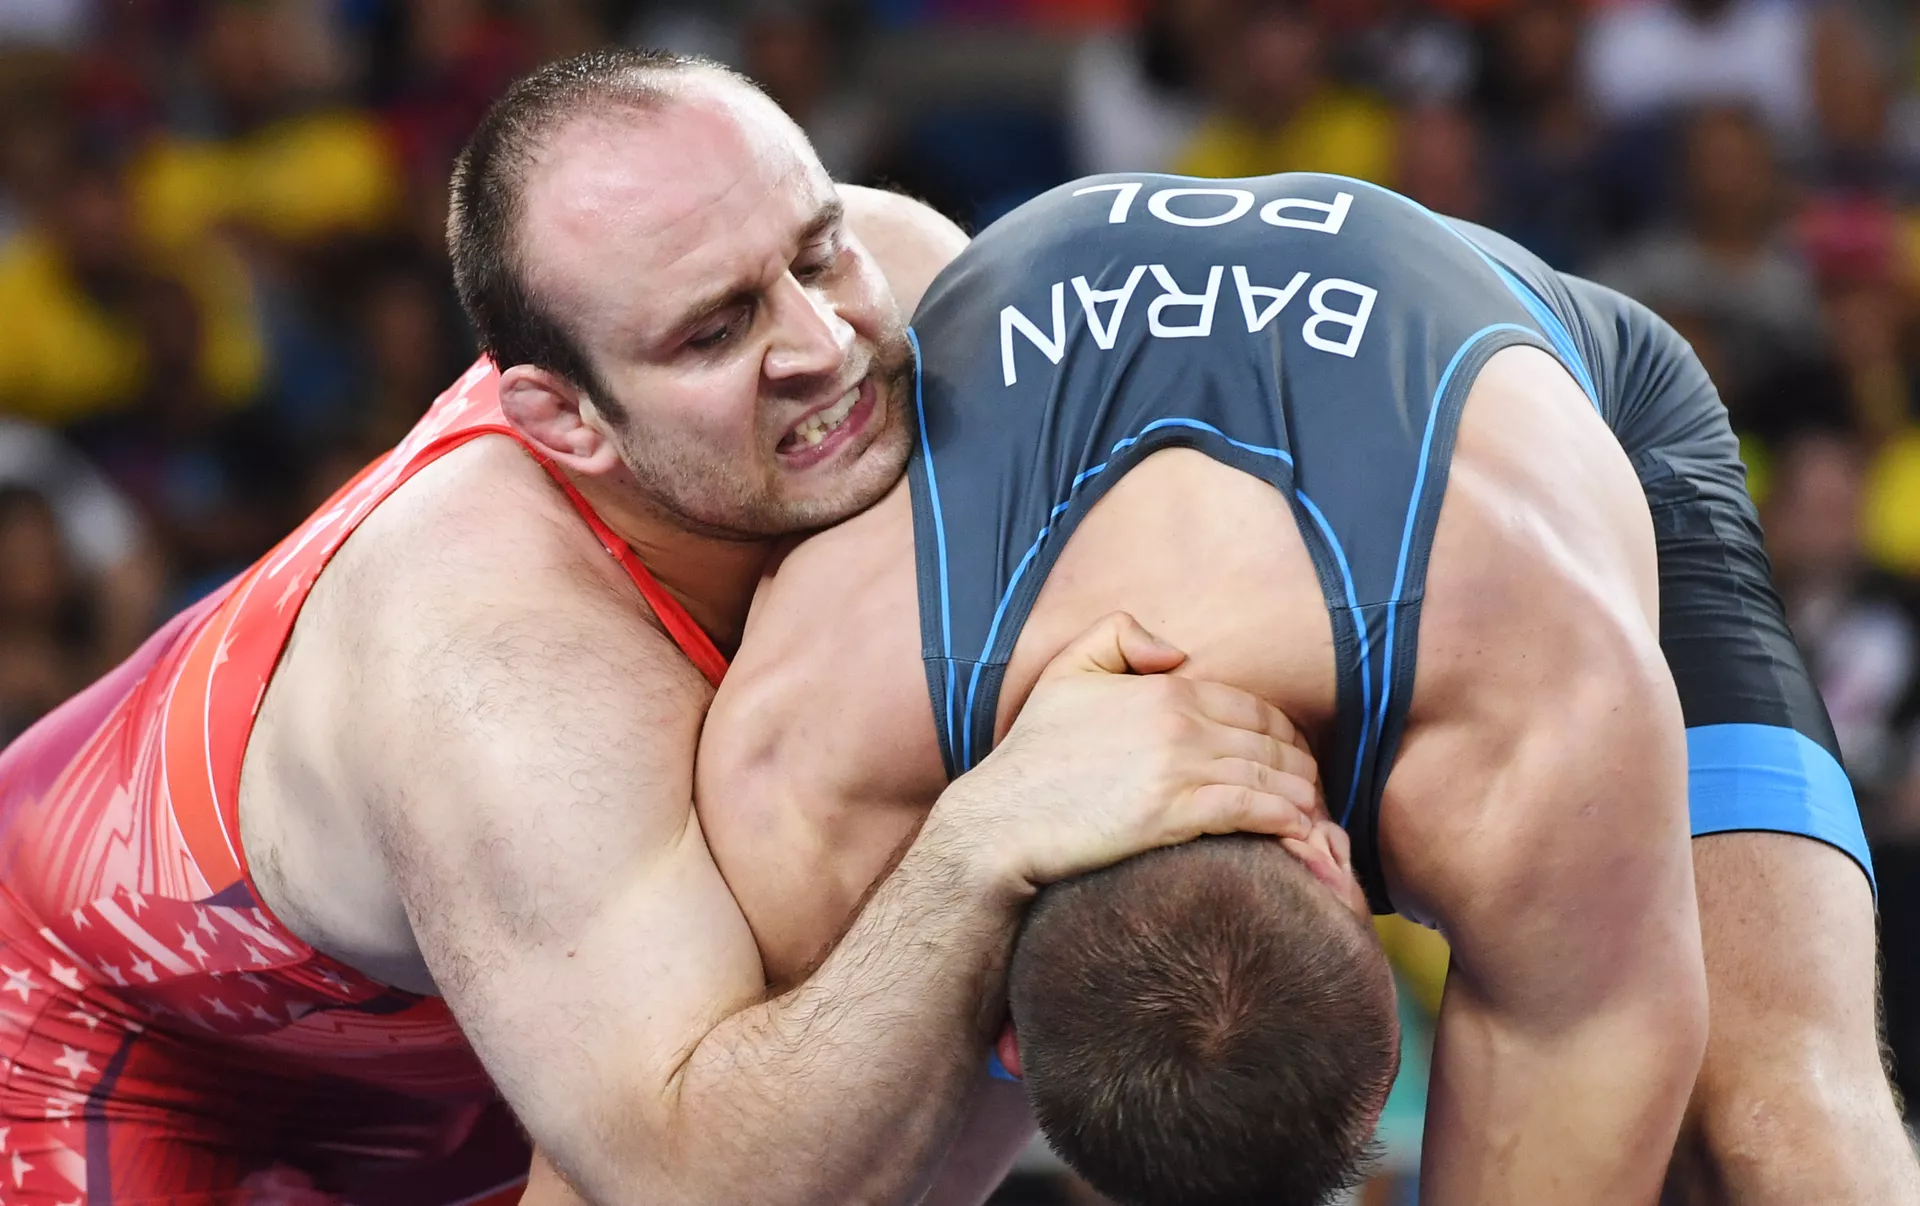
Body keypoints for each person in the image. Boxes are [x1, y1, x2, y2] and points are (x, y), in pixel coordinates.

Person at [0, 52, 1314, 1204]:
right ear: (568, 421)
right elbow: (696, 1185)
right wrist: (991, 839)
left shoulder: (907, 277)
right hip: (107, 1044)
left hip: (515, 1006)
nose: (822, 345)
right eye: (715, 332)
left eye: (813, 252)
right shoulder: (499, 664)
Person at [691, 172, 1917, 1204]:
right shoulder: (819, 756)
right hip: (1317, 435)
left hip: (1578, 410)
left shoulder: (1542, 716)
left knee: (1779, 1121)